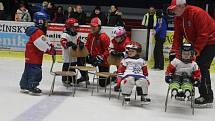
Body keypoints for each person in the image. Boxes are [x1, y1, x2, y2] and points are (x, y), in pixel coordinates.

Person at [167, 0, 215, 107]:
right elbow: (177, 37)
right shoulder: (177, 18)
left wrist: (195, 51)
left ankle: (207, 97)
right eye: (172, 9)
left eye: (175, 8)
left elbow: (204, 34)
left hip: (211, 41)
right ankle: (187, 89)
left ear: (183, 6)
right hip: (195, 43)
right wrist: (174, 52)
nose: (173, 10)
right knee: (183, 65)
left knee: (201, 66)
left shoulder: (197, 13)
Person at [19, 12, 56, 95]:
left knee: (28, 70)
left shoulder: (37, 31)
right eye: (46, 22)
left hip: (31, 55)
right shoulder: (38, 32)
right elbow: (41, 44)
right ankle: (32, 86)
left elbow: (44, 41)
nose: (47, 24)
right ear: (41, 22)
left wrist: (50, 45)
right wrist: (50, 50)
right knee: (35, 71)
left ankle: (24, 85)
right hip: (34, 55)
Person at [60, 18, 88, 86]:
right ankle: (65, 79)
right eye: (73, 27)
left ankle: (72, 79)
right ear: (69, 27)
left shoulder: (75, 35)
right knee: (66, 67)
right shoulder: (65, 35)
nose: (75, 29)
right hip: (67, 55)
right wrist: (68, 44)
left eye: (76, 27)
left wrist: (80, 44)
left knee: (72, 67)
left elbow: (78, 41)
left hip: (74, 55)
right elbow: (63, 43)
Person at [85, 17, 110, 87]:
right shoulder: (90, 35)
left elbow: (108, 50)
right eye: (91, 26)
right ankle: (84, 76)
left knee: (102, 84)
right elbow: (87, 46)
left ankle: (112, 77)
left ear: (99, 27)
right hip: (92, 57)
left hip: (103, 61)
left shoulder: (103, 37)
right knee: (79, 58)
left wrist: (99, 58)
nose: (92, 27)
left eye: (94, 26)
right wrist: (87, 54)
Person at [109, 26, 132, 91]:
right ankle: (118, 80)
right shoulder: (113, 41)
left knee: (123, 72)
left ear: (122, 36)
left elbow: (130, 52)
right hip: (118, 59)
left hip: (127, 60)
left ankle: (121, 84)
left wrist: (122, 53)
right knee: (119, 71)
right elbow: (110, 47)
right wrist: (112, 52)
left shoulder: (127, 41)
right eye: (115, 37)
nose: (115, 39)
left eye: (117, 37)